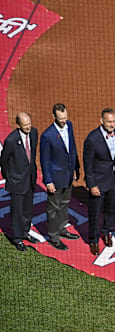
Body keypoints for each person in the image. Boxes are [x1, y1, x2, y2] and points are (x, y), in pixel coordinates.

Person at [39, 103, 81, 250]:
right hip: (56, 179)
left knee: (64, 203)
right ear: (53, 117)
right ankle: (54, 237)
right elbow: (44, 161)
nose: (64, 120)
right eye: (61, 118)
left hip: (68, 175)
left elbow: (73, 147)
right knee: (53, 208)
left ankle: (62, 229)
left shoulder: (69, 125)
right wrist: (48, 181)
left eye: (65, 117)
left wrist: (76, 167)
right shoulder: (47, 136)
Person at [83, 108, 115, 255]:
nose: (112, 124)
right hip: (98, 182)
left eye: (113, 121)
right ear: (101, 121)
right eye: (109, 121)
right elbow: (88, 163)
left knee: (111, 209)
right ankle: (93, 240)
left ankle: (107, 232)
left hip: (113, 180)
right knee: (95, 212)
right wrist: (92, 184)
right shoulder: (92, 139)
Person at [0, 113, 39, 251]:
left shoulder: (34, 133)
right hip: (16, 181)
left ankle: (25, 231)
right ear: (18, 125)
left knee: (28, 209)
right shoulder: (11, 140)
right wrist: (10, 177)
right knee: (17, 211)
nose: (28, 127)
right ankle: (17, 238)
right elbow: (3, 161)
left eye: (29, 123)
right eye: (25, 124)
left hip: (29, 179)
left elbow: (32, 154)